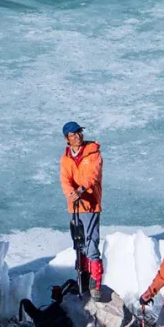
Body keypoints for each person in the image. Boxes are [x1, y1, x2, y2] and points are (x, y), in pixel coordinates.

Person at [60, 121, 103, 294]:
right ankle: (83, 278)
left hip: (90, 204)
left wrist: (81, 190)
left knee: (91, 242)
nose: (77, 137)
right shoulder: (66, 159)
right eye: (73, 135)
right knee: (79, 243)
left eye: (79, 133)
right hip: (74, 206)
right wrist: (71, 193)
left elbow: (93, 175)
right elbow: (65, 179)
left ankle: (95, 283)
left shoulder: (93, 153)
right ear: (67, 139)